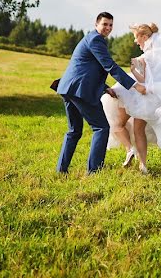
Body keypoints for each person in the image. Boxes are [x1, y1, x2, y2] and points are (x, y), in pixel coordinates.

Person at [55, 12, 146, 175]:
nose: (108, 28)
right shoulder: (96, 40)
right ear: (96, 24)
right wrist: (134, 86)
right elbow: (109, 66)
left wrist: (105, 87)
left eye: (111, 25)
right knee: (101, 127)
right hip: (80, 90)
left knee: (74, 131)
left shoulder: (91, 39)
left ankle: (61, 170)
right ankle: (94, 172)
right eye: (105, 24)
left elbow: (87, 68)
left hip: (68, 88)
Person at [101, 22, 161, 174]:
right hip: (153, 99)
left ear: (144, 37)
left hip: (140, 96)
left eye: (136, 37)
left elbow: (141, 79)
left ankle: (130, 149)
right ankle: (143, 166)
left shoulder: (142, 58)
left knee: (116, 123)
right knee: (139, 131)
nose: (135, 41)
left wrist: (133, 67)